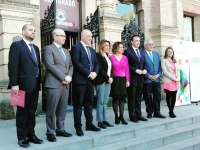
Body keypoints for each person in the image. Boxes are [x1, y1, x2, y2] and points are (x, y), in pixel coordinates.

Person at [8, 24, 43, 148]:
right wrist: (14, 84)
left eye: (34, 30)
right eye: (30, 30)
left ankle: (31, 135)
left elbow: (37, 67)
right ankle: (22, 138)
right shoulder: (17, 46)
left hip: (34, 86)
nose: (33, 32)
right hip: (21, 86)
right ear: (23, 32)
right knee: (22, 113)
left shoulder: (36, 48)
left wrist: (39, 83)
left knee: (32, 112)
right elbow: (13, 66)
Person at [43, 29, 73, 142]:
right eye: (62, 36)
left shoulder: (66, 51)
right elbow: (50, 65)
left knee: (62, 109)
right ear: (55, 37)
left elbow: (71, 65)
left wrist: (69, 77)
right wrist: (63, 77)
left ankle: (60, 129)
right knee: (51, 109)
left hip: (66, 84)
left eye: (65, 36)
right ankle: (50, 131)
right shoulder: (48, 49)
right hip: (54, 84)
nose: (65, 38)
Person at [70, 29, 100, 136]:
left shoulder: (92, 50)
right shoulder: (76, 48)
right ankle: (78, 127)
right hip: (80, 81)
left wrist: (95, 73)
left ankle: (89, 124)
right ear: (82, 37)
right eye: (89, 36)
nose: (91, 38)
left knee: (89, 103)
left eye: (91, 36)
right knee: (78, 105)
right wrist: (88, 73)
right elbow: (76, 63)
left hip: (91, 81)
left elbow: (96, 64)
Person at [124, 35, 147, 123]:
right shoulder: (127, 51)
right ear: (131, 42)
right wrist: (135, 70)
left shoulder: (141, 51)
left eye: (139, 40)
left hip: (141, 78)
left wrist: (145, 69)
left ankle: (139, 114)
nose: (138, 42)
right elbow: (126, 65)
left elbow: (144, 63)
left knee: (138, 97)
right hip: (133, 77)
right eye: (136, 40)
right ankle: (132, 116)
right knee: (132, 97)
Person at [143, 40, 165, 119]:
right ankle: (149, 112)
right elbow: (141, 67)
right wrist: (148, 75)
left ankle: (157, 112)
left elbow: (160, 67)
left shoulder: (156, 54)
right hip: (147, 80)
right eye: (149, 44)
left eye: (152, 44)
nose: (151, 46)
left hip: (156, 79)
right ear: (145, 45)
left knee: (157, 97)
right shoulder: (142, 54)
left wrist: (158, 75)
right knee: (148, 97)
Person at [110, 42, 130, 125]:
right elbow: (110, 69)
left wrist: (128, 80)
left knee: (122, 99)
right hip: (115, 79)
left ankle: (121, 117)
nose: (122, 49)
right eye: (120, 47)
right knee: (115, 98)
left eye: (122, 47)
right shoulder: (111, 57)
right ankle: (116, 117)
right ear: (115, 48)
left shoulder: (125, 58)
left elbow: (127, 69)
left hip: (123, 79)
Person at [95, 39, 114, 129]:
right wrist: (108, 78)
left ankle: (104, 119)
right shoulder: (98, 55)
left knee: (105, 101)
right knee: (100, 101)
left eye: (108, 45)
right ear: (102, 46)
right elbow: (100, 69)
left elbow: (111, 70)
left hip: (108, 81)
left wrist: (111, 78)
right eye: (106, 45)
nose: (108, 47)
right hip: (101, 81)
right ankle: (99, 121)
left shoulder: (108, 56)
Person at [161, 47, 180, 118]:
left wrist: (178, 78)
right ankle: (171, 111)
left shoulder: (175, 61)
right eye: (168, 51)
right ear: (166, 52)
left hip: (175, 81)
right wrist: (173, 78)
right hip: (168, 80)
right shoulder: (164, 60)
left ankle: (171, 110)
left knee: (174, 97)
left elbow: (178, 70)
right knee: (169, 96)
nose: (170, 53)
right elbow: (165, 71)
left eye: (171, 52)